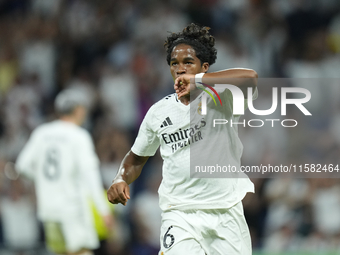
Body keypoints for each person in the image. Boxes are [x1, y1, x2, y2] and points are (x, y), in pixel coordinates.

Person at [107, 23, 258, 255]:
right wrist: (120, 178)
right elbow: (136, 158)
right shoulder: (158, 112)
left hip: (226, 211)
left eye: (188, 62)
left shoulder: (223, 97)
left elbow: (250, 77)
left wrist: (198, 81)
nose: (180, 68)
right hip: (179, 213)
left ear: (204, 67)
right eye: (174, 63)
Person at [16, 89, 112, 255]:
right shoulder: (79, 136)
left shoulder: (42, 133)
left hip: (48, 209)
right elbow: (90, 175)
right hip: (73, 208)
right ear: (79, 110)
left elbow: (22, 166)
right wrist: (103, 210)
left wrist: (42, 179)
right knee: (82, 251)